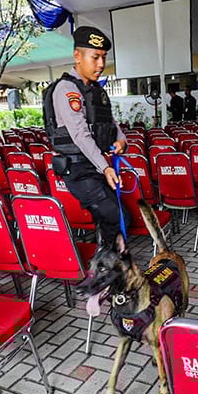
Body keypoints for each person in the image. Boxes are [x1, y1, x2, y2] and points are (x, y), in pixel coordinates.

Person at [43, 25, 128, 247]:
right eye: (95, 57)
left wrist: (121, 139)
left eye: (104, 57)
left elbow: (111, 122)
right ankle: (107, 268)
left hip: (94, 165)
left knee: (117, 217)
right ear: (77, 56)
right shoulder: (67, 89)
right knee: (115, 217)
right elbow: (80, 135)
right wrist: (106, 168)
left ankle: (109, 263)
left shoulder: (95, 91)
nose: (101, 64)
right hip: (78, 170)